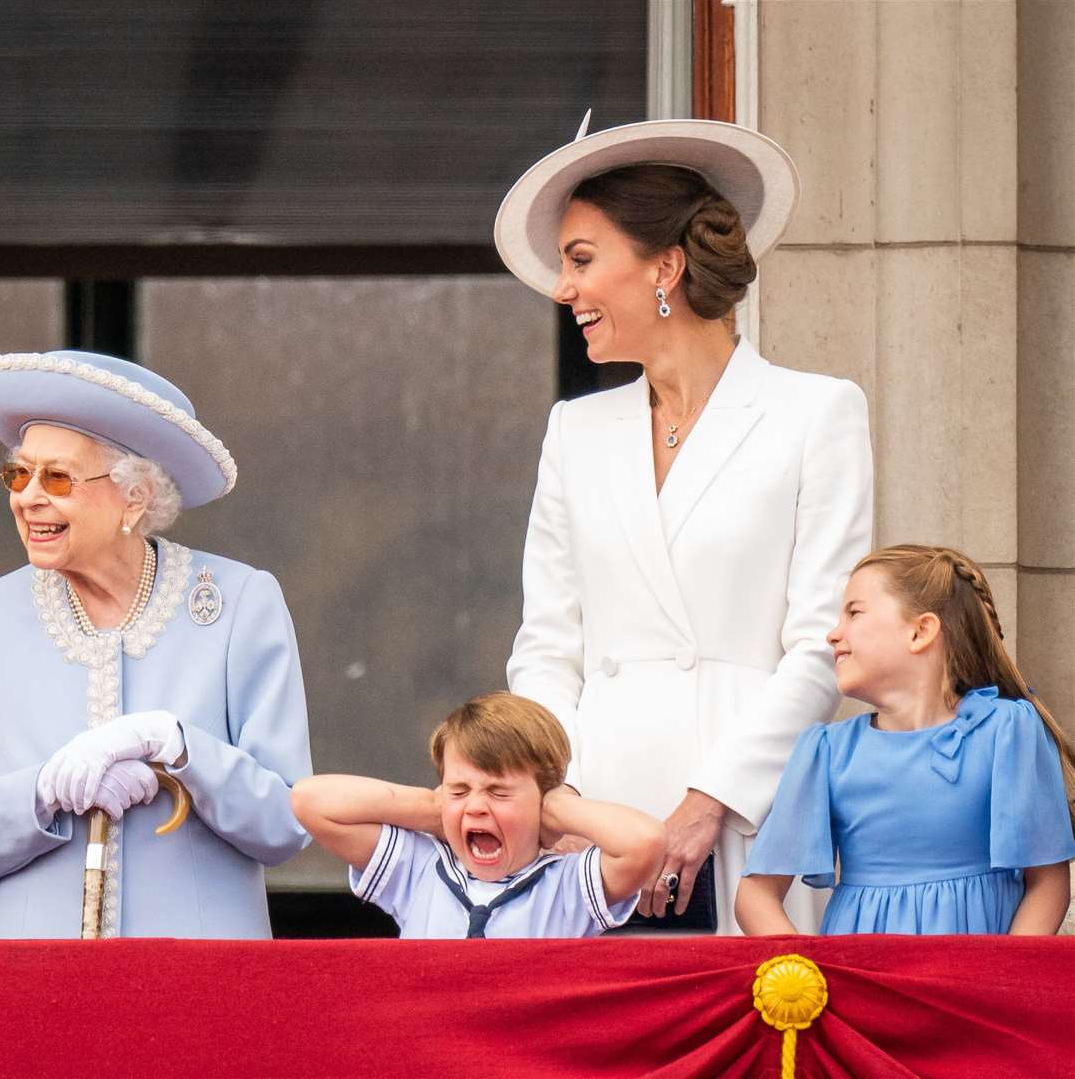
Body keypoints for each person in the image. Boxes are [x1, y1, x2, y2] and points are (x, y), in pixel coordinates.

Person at [493, 117, 875, 933]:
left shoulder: (816, 413)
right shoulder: (575, 431)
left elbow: (821, 644)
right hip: (593, 828)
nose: (565, 290)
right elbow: (548, 646)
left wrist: (712, 802)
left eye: (583, 260)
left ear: (665, 265)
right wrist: (558, 799)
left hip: (746, 814)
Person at [0, 350, 312, 938]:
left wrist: (181, 750)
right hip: (37, 978)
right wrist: (43, 790)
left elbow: (284, 825)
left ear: (136, 496)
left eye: (57, 478)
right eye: (18, 475)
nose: (27, 497)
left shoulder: (240, 603)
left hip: (201, 978)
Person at [736, 545, 1075, 935]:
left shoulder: (1007, 730)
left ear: (920, 631)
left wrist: (999, 982)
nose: (832, 634)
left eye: (854, 612)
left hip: (971, 985)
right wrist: (808, 981)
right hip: (865, 986)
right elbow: (755, 895)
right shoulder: (827, 752)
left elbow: (1047, 884)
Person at [292, 691, 662, 938]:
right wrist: (433, 810)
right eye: (459, 789)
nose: (477, 806)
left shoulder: (565, 887)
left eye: (499, 792)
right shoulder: (419, 871)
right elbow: (310, 801)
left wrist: (555, 808)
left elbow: (645, 843)